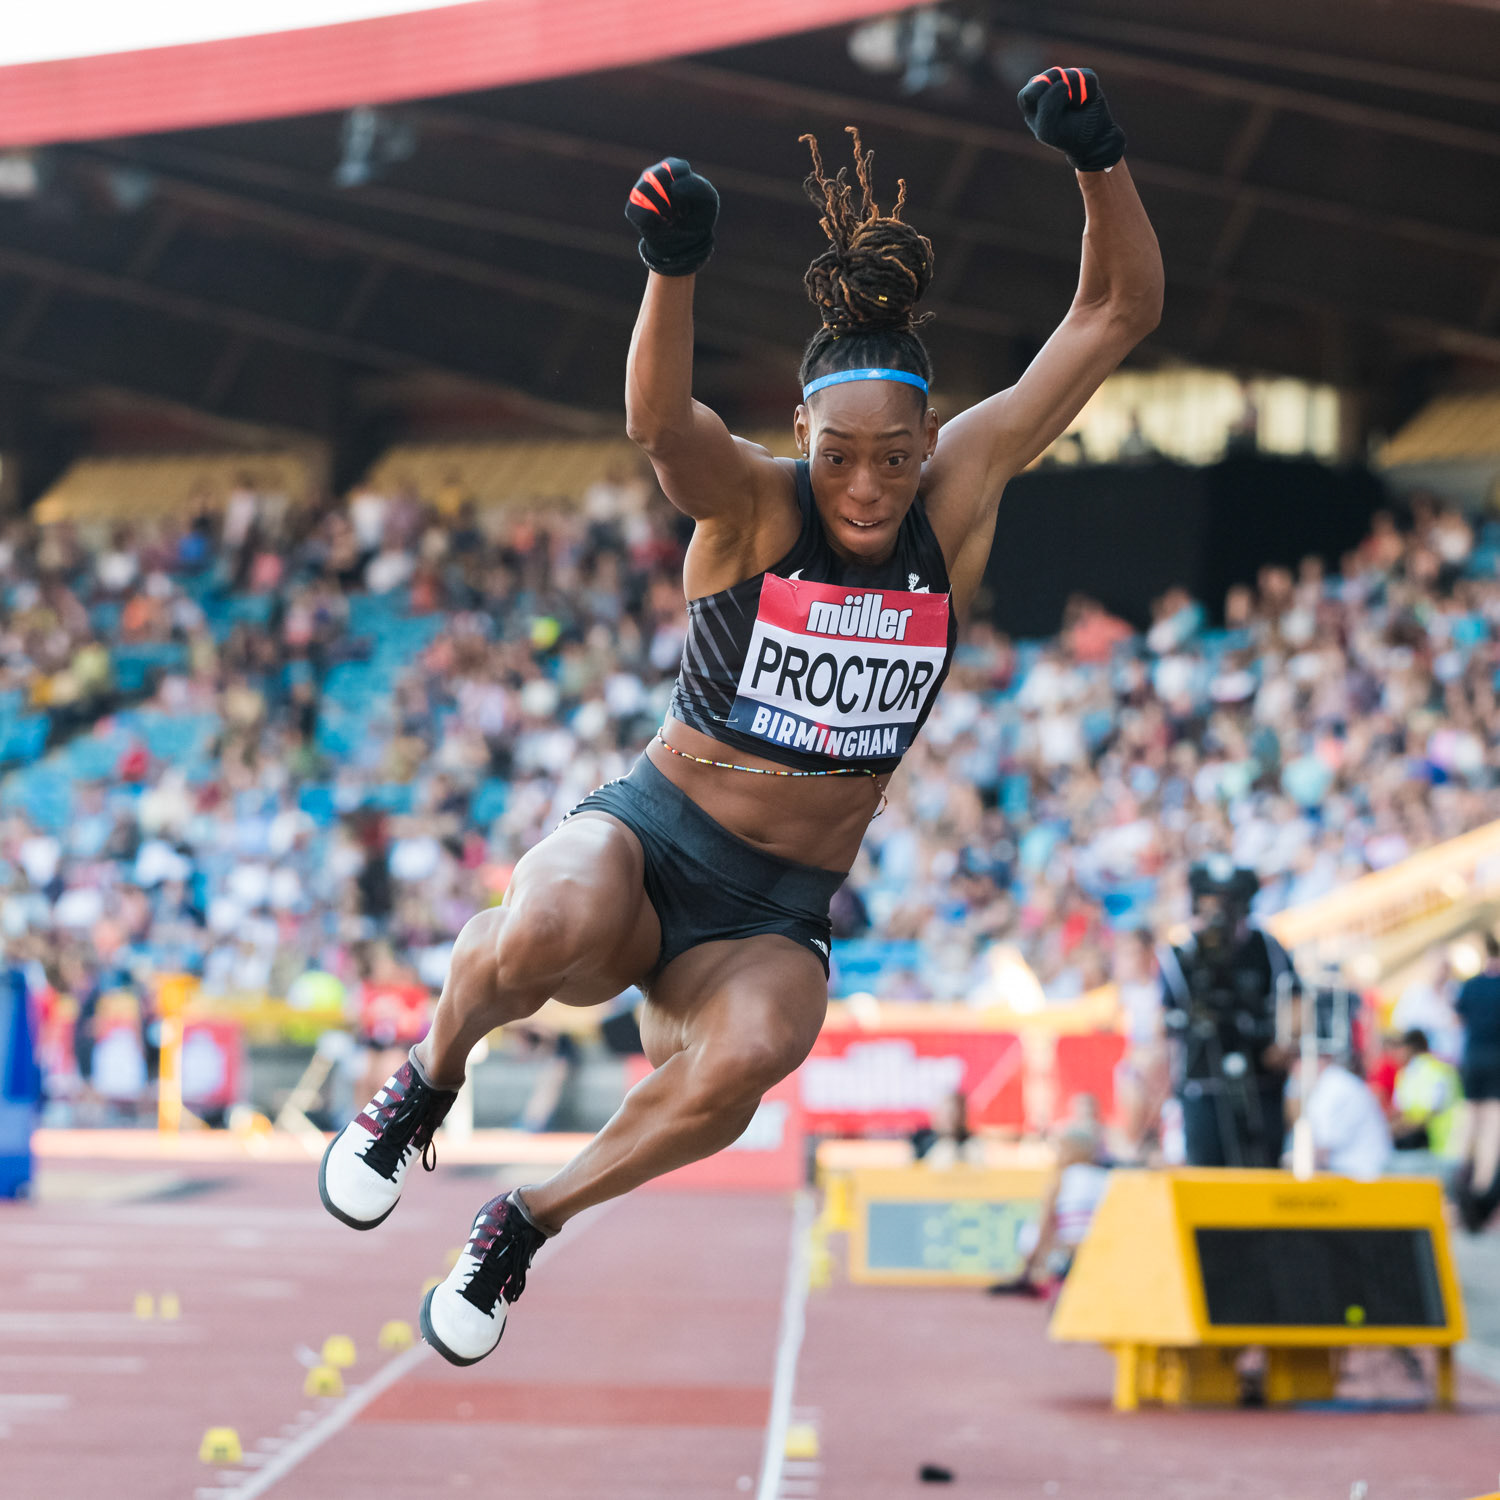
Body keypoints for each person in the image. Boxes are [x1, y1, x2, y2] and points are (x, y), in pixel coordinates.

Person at [319, 67, 1162, 1367]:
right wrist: (673, 266)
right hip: (649, 846)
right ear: (803, 434)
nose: (870, 485)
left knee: (763, 1047)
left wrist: (1099, 158)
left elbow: (1115, 311)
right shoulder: (759, 508)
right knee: (548, 924)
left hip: (772, 909)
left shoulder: (967, 487)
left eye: (896, 455)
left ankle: (523, 1225)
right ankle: (427, 1077)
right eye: (842, 455)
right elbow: (659, 424)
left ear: (931, 436)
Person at [1159, 861, 1295, 1168]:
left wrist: (1284, 1043)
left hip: (1261, 1078)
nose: (1218, 910)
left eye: (1228, 899)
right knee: (1207, 1165)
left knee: (1262, 1162)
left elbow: (1294, 998)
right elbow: (1165, 1021)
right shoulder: (1180, 956)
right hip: (1201, 1079)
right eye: (1209, 899)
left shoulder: (1268, 948)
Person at [1454, 933, 1500, 1229]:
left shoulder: (1470, 985)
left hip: (1472, 1058)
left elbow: (1458, 1020)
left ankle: (1458, 1180)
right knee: (1492, 1126)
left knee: (1470, 1122)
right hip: (1496, 1059)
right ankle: (1482, 1190)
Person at [1298, 1053, 1391, 1181]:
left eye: (1298, 1060)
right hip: (1349, 1170)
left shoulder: (1336, 1087)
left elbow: (1324, 1145)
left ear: (1320, 1060)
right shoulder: (1329, 1084)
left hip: (1361, 1174)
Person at [1387, 1028, 1462, 1157]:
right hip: (1423, 1149)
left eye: (1397, 1047)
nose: (1392, 1053)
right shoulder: (1405, 1073)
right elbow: (1400, 1111)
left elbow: (1427, 1115)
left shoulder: (1436, 1069)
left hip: (1445, 1149)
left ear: (1409, 1048)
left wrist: (1391, 1131)